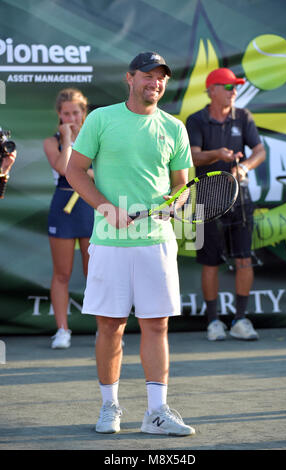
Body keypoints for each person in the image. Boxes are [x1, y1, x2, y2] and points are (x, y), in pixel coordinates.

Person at [66, 52, 195, 436]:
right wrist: (106, 208)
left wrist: (174, 206)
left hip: (156, 242)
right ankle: (109, 406)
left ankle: (156, 413)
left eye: (160, 78)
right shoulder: (102, 119)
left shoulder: (174, 128)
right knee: (111, 326)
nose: (154, 83)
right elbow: (75, 171)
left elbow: (181, 187)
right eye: (147, 76)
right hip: (109, 242)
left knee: (157, 326)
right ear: (130, 78)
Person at [186, 68, 266, 342]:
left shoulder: (243, 116)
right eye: (228, 87)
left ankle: (240, 319)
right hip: (206, 197)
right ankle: (213, 322)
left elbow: (259, 151)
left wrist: (243, 167)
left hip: (240, 197)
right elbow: (194, 157)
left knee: (244, 258)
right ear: (212, 90)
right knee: (210, 262)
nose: (233, 92)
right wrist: (216, 155)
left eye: (235, 87)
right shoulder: (196, 120)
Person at [44, 88, 94, 349]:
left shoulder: (97, 138)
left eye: (76, 112)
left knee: (94, 272)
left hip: (90, 207)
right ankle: (62, 330)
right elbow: (64, 168)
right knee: (62, 273)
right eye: (66, 114)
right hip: (62, 207)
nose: (72, 118)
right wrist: (67, 140)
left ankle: (103, 328)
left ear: (84, 112)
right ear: (59, 115)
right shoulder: (52, 142)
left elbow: (102, 174)